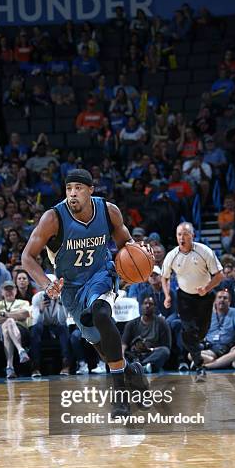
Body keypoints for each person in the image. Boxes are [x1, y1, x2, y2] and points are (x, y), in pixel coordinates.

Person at [22, 168, 150, 418]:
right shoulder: (53, 218)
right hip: (70, 287)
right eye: (69, 189)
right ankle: (131, 372)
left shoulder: (108, 211)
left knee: (101, 313)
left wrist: (139, 257)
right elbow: (27, 257)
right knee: (101, 347)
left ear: (91, 190)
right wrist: (45, 283)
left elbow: (126, 244)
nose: (72, 194)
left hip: (100, 274)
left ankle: (120, 395)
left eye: (78, 188)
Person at [161, 222, 223, 381]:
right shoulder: (172, 255)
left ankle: (197, 348)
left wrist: (207, 287)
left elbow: (219, 275)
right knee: (189, 331)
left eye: (186, 234)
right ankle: (199, 367)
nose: (182, 237)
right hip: (185, 298)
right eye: (179, 234)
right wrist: (167, 295)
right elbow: (165, 277)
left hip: (205, 296)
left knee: (201, 332)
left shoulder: (204, 251)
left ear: (193, 236)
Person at [0, 281, 30, 379]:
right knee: (9, 323)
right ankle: (21, 350)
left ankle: (9, 367)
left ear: (16, 291)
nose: (9, 292)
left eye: (11, 289)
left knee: (8, 325)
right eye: (6, 290)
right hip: (0, 332)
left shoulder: (23, 302)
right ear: (2, 292)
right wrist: (15, 315)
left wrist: (4, 314)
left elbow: (25, 314)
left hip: (21, 329)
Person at [122, 296, 172, 373]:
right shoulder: (131, 324)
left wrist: (149, 349)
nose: (147, 306)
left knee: (165, 351)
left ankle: (139, 366)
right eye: (145, 303)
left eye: (150, 304)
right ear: (141, 306)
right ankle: (143, 367)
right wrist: (121, 356)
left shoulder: (162, 323)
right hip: (134, 355)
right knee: (121, 352)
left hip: (151, 354)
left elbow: (167, 346)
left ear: (155, 307)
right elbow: (124, 344)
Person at [201, 289, 235, 370]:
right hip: (212, 349)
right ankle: (224, 363)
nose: (222, 300)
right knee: (191, 354)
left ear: (229, 302)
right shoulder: (207, 313)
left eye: (225, 298)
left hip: (229, 349)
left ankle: (208, 366)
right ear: (215, 301)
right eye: (219, 297)